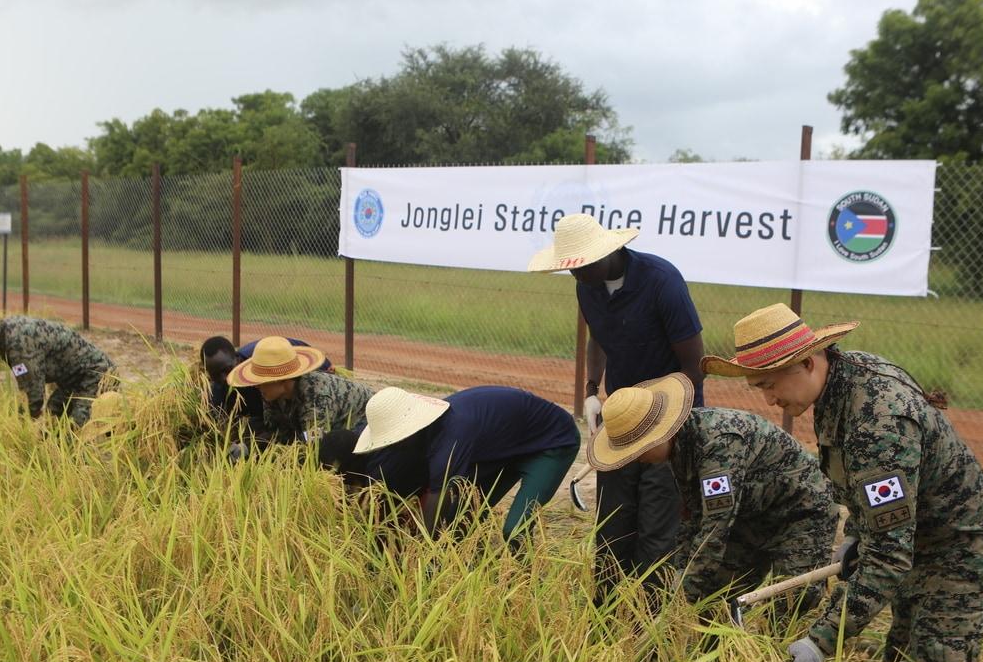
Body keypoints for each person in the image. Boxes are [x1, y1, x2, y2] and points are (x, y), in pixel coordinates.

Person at [702, 303, 983, 662]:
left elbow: (888, 557)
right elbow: (866, 490)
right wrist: (857, 533)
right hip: (916, 545)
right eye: (758, 387)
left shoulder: (878, 421)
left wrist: (818, 642)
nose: (769, 399)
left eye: (770, 384)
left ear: (808, 362)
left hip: (964, 555)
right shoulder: (841, 383)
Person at [529, 213, 704, 602]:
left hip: (670, 425)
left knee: (656, 534)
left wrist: (670, 429)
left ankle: (647, 633)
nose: (576, 274)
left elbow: (694, 366)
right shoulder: (587, 287)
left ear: (609, 252)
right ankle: (604, 623)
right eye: (570, 268)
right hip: (622, 420)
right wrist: (592, 391)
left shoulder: (662, 281)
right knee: (612, 527)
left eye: (582, 265)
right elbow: (599, 338)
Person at [587, 373, 837, 616]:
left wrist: (681, 599)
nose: (636, 459)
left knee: (787, 605)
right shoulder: (679, 449)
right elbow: (691, 521)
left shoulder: (718, 446)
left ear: (658, 436)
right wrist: (679, 581)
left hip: (801, 514)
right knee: (714, 601)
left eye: (636, 451)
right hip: (750, 514)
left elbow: (714, 531)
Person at [351, 386, 581, 545]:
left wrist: (418, 550)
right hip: (504, 449)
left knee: (515, 531)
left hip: (552, 443)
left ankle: (527, 587)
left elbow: (437, 507)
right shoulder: (433, 431)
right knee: (464, 518)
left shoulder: (451, 440)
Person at [0, 298, 114, 426]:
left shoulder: (16, 343)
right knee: (54, 418)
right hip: (73, 381)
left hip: (96, 375)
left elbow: (33, 395)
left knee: (75, 426)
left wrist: (18, 427)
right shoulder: (7, 331)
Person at [225, 336, 370, 442]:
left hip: (366, 424)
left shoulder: (316, 395)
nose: (256, 386)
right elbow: (276, 432)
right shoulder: (271, 395)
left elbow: (315, 443)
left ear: (281, 380)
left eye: (262, 381)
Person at [201, 335, 333, 429]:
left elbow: (314, 439)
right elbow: (274, 430)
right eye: (216, 375)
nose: (225, 378)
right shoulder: (220, 393)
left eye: (227, 370)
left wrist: (325, 369)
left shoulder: (263, 357)